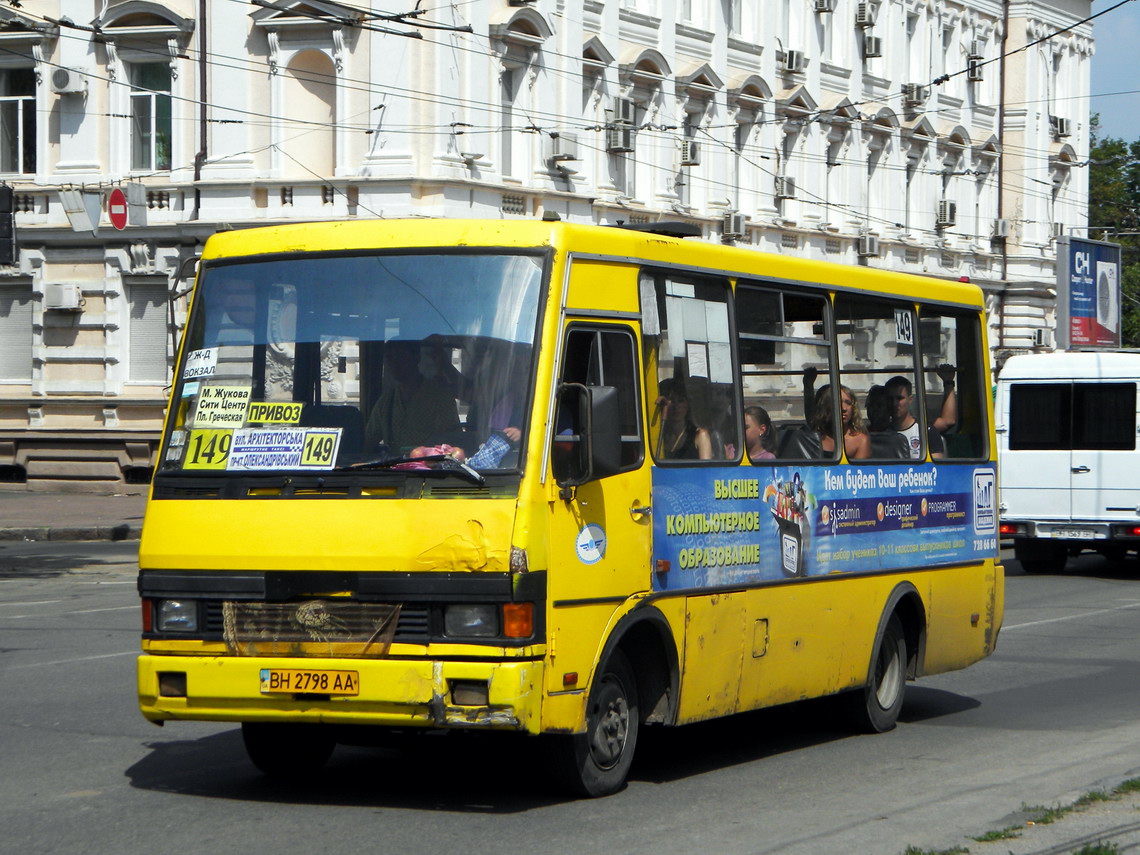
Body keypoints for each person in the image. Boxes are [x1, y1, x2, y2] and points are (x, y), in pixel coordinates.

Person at [365, 343, 461, 453]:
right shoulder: (386, 401)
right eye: (389, 358)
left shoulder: (440, 398)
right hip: (394, 468)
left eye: (401, 356)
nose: (395, 363)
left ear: (416, 357)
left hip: (431, 468)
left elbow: (453, 443)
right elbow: (368, 441)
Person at [885, 375, 946, 459]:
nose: (894, 403)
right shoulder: (882, 433)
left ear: (910, 400)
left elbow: (935, 468)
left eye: (899, 398)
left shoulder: (927, 432)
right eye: (890, 399)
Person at [656, 379, 713, 460]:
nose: (676, 406)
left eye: (681, 401)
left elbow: (706, 471)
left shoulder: (700, 435)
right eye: (671, 400)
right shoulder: (660, 437)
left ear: (688, 405)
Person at [811, 384, 871, 460]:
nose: (844, 408)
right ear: (826, 406)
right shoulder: (812, 438)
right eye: (838, 402)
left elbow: (858, 471)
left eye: (848, 403)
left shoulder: (861, 440)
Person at [865, 385, 910, 458]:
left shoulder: (898, 439)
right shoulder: (860, 436)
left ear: (889, 408)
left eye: (879, 405)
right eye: (870, 405)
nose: (874, 410)